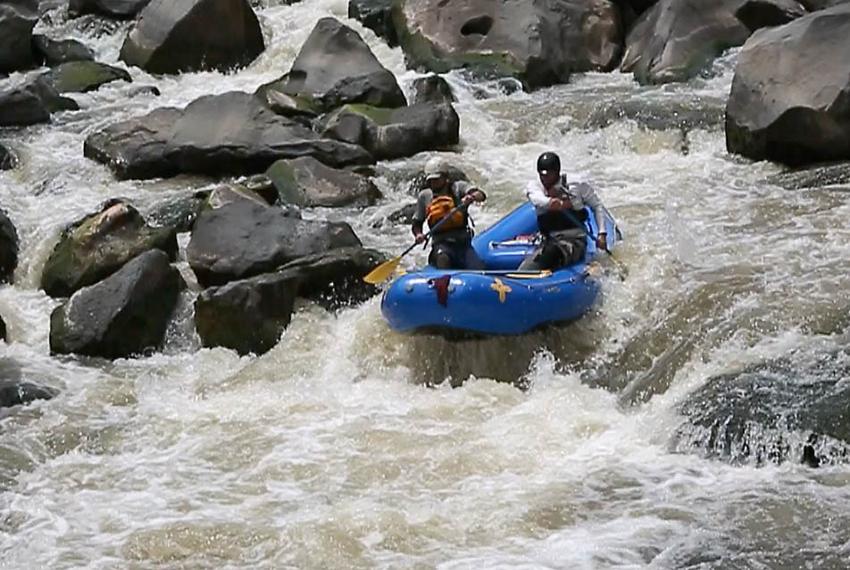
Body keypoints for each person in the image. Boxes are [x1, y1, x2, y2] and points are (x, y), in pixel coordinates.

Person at [519, 151, 609, 271]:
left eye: (548, 175)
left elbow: (597, 206)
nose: (544, 179)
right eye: (542, 175)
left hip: (574, 241)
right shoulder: (535, 186)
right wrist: (553, 203)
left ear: (557, 172)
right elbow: (537, 200)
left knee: (552, 252)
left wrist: (602, 234)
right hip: (549, 240)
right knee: (545, 253)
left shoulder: (576, 186)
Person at [412, 157, 487, 269]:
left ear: (445, 178)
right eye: (431, 181)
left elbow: (481, 195)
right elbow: (416, 223)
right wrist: (418, 234)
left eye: (437, 180)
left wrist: (471, 197)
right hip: (441, 245)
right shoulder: (425, 196)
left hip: (463, 246)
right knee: (443, 260)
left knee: (479, 269)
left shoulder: (458, 188)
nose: (433, 183)